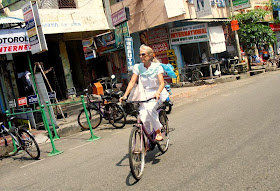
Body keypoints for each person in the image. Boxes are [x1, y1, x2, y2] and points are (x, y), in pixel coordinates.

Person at [119, 44, 167, 141]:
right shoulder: (138, 67)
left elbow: (162, 83)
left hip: (157, 94)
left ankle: (158, 132)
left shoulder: (157, 67)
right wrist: (125, 95)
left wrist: (158, 92)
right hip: (144, 95)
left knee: (150, 109)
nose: (141, 57)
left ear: (150, 55)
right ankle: (149, 139)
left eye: (143, 55)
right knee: (143, 117)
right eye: (140, 55)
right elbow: (132, 82)